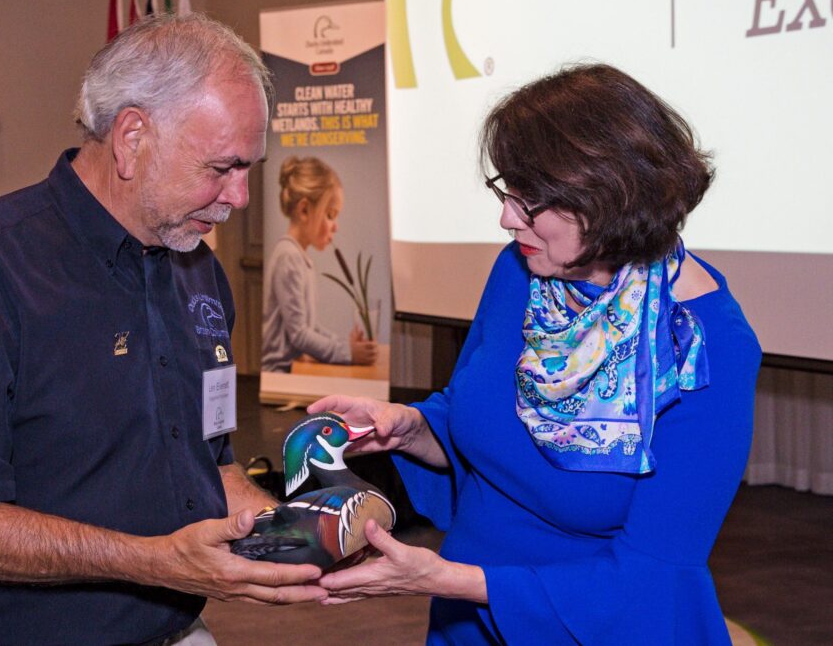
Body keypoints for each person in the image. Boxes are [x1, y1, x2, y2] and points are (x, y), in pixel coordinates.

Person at [0, 15, 327, 646]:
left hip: (180, 630)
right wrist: (154, 560)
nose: (242, 196)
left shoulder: (198, 272)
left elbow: (214, 469)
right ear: (132, 137)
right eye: (222, 167)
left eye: (249, 167)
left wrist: (308, 538)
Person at [310, 63, 762, 645]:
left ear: (608, 197)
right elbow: (478, 416)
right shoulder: (524, 269)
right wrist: (412, 428)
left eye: (531, 200)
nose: (506, 217)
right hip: (467, 623)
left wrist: (451, 578)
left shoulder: (707, 346)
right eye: (507, 191)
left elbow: (651, 580)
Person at [261, 156, 377, 372]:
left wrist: (346, 346)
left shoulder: (300, 258)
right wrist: (348, 353)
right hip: (281, 373)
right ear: (304, 210)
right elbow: (299, 335)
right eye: (331, 215)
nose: (336, 227)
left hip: (295, 368)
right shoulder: (289, 257)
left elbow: (310, 328)